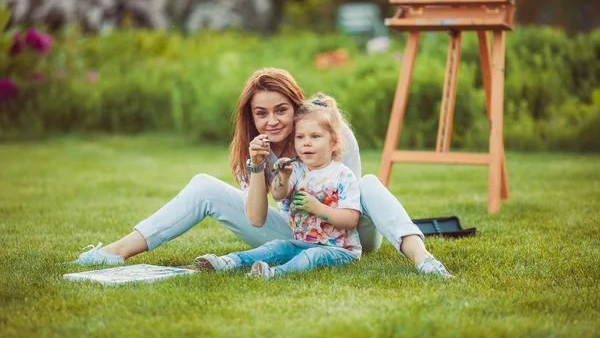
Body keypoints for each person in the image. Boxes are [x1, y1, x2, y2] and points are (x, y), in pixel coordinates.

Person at [69, 67, 452, 277]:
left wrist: (316, 208)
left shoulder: (332, 134)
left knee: (368, 183)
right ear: (250, 116)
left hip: (348, 234)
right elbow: (254, 218)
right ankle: (113, 253)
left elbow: (349, 205)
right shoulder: (251, 148)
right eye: (261, 113)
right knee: (203, 185)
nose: (271, 121)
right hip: (295, 232)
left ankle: (423, 259)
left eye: (281, 110)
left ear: (296, 106)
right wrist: (257, 167)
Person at [195, 96, 362, 279]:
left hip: (339, 249)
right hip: (302, 243)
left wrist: (318, 208)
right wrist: (284, 175)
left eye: (315, 136)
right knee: (277, 247)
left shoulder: (343, 175)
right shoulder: (297, 170)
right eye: (300, 137)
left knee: (313, 256)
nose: (306, 142)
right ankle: (228, 261)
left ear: (334, 142)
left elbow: (351, 220)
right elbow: (278, 194)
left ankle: (274, 273)